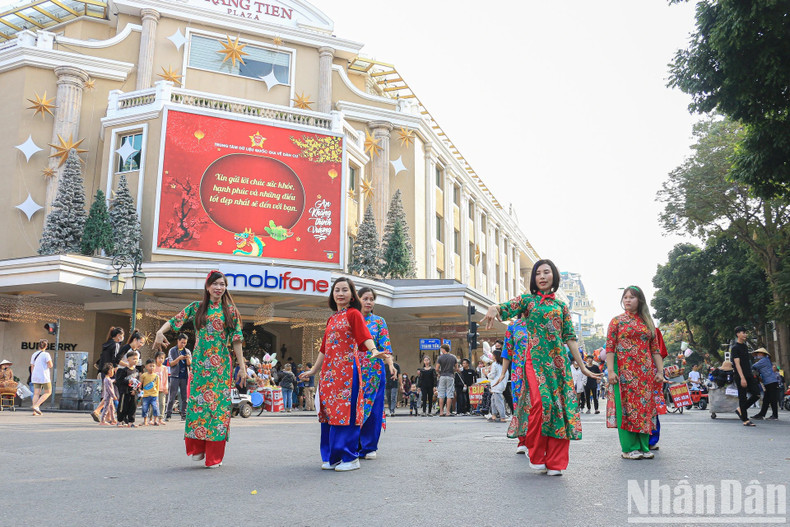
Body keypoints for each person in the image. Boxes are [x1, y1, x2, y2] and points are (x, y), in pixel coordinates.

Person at [482, 259, 600, 476]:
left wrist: (582, 367)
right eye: (538, 273)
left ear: (553, 276)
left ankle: (555, 461)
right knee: (540, 403)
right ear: (534, 278)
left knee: (559, 408)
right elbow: (507, 307)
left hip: (558, 364)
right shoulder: (528, 301)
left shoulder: (561, 307)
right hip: (533, 362)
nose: (542, 276)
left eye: (546, 272)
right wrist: (493, 307)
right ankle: (536, 454)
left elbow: (570, 339)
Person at [154, 270, 246, 468]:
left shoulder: (231, 311)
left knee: (218, 409)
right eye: (215, 284)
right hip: (199, 365)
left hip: (221, 366)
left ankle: (214, 455)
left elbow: (237, 340)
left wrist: (242, 367)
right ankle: (198, 448)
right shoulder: (196, 308)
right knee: (198, 406)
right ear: (207, 286)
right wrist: (160, 331)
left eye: (222, 284)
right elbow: (174, 320)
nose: (219, 288)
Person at [298, 277, 379, 472]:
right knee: (329, 413)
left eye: (345, 290)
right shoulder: (332, 318)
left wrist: (374, 350)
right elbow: (324, 349)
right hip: (329, 373)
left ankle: (350, 457)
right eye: (337, 290)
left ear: (352, 295)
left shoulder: (353, 314)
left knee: (345, 413)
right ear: (332, 294)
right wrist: (313, 370)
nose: (340, 294)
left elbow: (364, 335)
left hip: (347, 371)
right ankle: (332, 456)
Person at [605, 286, 665, 460]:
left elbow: (655, 350)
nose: (628, 300)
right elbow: (610, 348)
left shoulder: (647, 323)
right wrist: (610, 371)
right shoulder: (616, 321)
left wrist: (660, 371)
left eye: (632, 297)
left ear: (640, 300)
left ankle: (644, 446)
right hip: (623, 372)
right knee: (626, 408)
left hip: (645, 373)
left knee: (644, 408)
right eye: (625, 297)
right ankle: (628, 448)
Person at [357, 286, 394, 460]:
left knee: (373, 408)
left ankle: (369, 446)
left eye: (371, 299)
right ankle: (353, 444)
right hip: (353, 370)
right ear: (358, 300)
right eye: (365, 298)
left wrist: (391, 365)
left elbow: (385, 347)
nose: (369, 302)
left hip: (374, 372)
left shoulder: (379, 321)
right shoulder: (351, 320)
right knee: (353, 407)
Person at [91, 327, 125, 422]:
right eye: (122, 335)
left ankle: (109, 417)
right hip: (111, 372)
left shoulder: (107, 344)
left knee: (108, 393)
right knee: (110, 394)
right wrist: (122, 366)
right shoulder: (116, 345)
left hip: (103, 372)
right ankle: (97, 411)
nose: (123, 337)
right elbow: (115, 360)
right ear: (118, 336)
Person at [731, 326, 760, 427]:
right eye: (743, 333)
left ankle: (740, 410)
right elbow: (737, 364)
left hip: (749, 374)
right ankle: (745, 419)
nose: (745, 334)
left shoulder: (745, 346)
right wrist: (742, 377)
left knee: (757, 394)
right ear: (737, 334)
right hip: (740, 376)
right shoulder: (735, 348)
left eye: (745, 333)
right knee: (742, 397)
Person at [166, 334, 192, 422]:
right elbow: (171, 363)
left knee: (185, 397)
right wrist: (179, 358)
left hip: (184, 376)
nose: (183, 345)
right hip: (174, 376)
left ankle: (183, 414)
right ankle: (168, 414)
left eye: (185, 343)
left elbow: (189, 364)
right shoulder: (172, 350)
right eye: (182, 343)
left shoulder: (187, 351)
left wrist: (187, 359)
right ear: (178, 341)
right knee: (172, 396)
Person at [751, 348, 779, 420]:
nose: (757, 355)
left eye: (758, 354)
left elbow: (754, 366)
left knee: (772, 399)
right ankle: (761, 414)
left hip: (771, 381)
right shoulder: (766, 360)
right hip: (769, 382)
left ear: (762, 354)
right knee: (766, 399)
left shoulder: (764, 360)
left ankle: (775, 415)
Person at [115, 349, 142, 427]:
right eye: (133, 359)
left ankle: (131, 421)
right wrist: (127, 381)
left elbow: (137, 382)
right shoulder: (123, 370)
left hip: (133, 392)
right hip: (125, 392)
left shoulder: (136, 371)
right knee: (123, 406)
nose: (135, 361)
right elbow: (119, 381)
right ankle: (120, 421)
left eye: (136, 359)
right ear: (128, 359)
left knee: (133, 407)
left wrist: (136, 390)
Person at [30, 339, 53, 416]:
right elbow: (50, 365)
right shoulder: (46, 354)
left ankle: (34, 411)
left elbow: (32, 366)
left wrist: (33, 375)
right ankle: (36, 406)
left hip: (35, 376)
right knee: (48, 392)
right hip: (44, 376)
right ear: (46, 346)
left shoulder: (34, 354)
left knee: (36, 393)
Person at [436, 344, 457, 416]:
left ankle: (441, 411)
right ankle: (448, 412)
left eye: (441, 349)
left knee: (441, 394)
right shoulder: (453, 357)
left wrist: (440, 372)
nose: (441, 351)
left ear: (444, 349)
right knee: (449, 394)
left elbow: (436, 368)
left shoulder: (440, 358)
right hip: (450, 376)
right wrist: (451, 370)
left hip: (442, 376)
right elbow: (456, 368)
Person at [140, 359, 161, 426]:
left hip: (154, 395)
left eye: (153, 366)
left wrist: (157, 395)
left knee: (155, 408)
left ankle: (155, 420)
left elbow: (157, 386)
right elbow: (140, 384)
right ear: (146, 366)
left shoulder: (156, 376)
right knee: (144, 408)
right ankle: (145, 420)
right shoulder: (144, 375)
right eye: (150, 366)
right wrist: (140, 391)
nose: (152, 368)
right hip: (145, 395)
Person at [488, 350, 508, 422]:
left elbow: (492, 375)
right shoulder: (503, 365)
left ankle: (502, 417)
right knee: (493, 400)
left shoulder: (495, 364)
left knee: (498, 401)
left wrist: (487, 374)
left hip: (496, 384)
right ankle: (494, 415)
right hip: (501, 384)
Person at [153, 351, 168, 426]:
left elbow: (166, 378)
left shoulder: (164, 368)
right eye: (159, 358)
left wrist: (166, 387)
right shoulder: (153, 367)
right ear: (156, 359)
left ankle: (160, 418)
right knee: (154, 404)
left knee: (162, 403)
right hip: (154, 389)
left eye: (162, 358)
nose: (161, 360)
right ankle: (152, 418)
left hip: (162, 388)